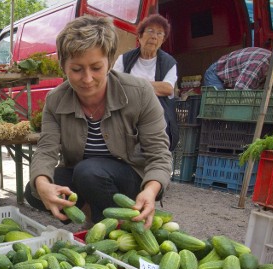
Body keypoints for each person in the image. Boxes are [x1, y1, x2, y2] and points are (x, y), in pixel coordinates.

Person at [24, 15, 172, 228]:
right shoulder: (56, 100)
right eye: (76, 69)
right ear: (63, 66)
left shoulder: (139, 93)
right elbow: (46, 150)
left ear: (110, 62)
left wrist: (150, 190)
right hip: (86, 177)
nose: (87, 78)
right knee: (34, 191)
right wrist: (42, 184)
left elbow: (159, 153)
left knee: (89, 170)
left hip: (129, 179)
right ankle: (94, 218)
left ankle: (115, 227)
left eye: (96, 68)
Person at [112, 14, 179, 151]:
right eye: (150, 31)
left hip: (156, 112)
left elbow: (167, 88)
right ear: (140, 36)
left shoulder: (169, 62)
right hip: (127, 109)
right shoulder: (124, 59)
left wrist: (132, 84)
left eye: (159, 33)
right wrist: (152, 86)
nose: (154, 36)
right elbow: (113, 84)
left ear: (162, 40)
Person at [203, 47, 273, 90]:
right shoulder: (259, 64)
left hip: (234, 80)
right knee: (217, 107)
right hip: (217, 74)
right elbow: (240, 92)